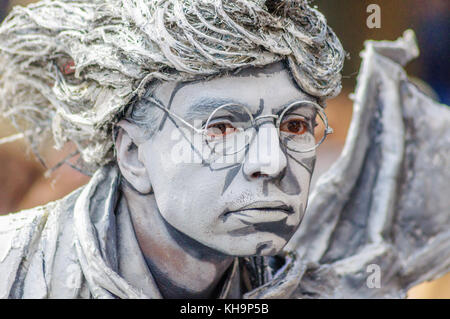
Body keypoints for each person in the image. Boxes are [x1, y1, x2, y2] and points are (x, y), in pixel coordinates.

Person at [1, 0, 449, 299]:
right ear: (134, 154)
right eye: (222, 128)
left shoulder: (333, 285)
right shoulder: (17, 272)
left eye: (295, 124)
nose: (271, 162)